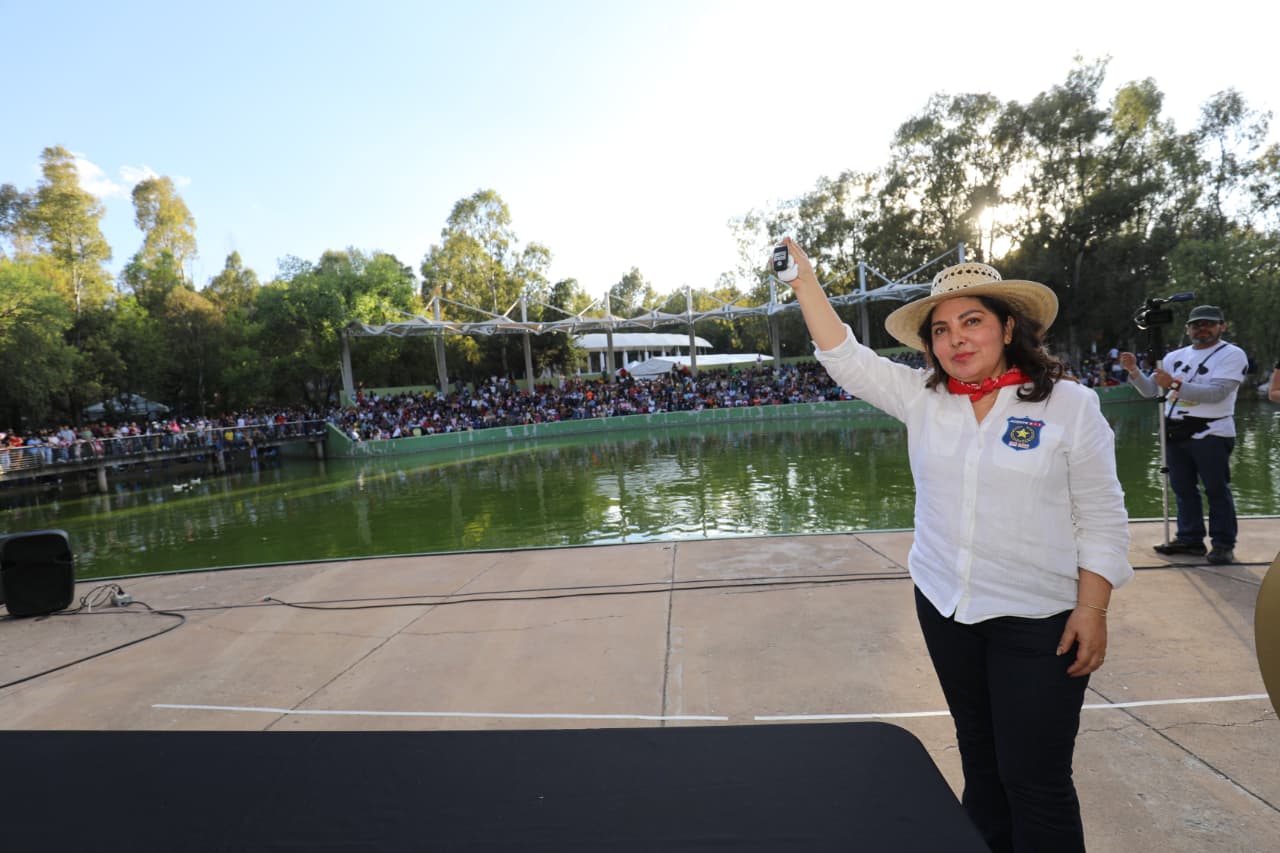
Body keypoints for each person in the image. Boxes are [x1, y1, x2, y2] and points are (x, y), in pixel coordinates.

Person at [775, 239, 1132, 852]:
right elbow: (845, 357)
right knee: (981, 766)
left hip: (1038, 618)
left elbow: (1102, 514)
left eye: (972, 322)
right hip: (945, 607)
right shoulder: (924, 397)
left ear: (1008, 327)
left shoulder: (1069, 405)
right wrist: (804, 282)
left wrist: (1093, 607)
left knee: (1036, 780)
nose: (956, 340)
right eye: (941, 330)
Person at [1119, 305, 1248, 565]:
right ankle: (1190, 538)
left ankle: (1223, 544)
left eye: (1209, 324)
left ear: (1222, 326)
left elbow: (1217, 393)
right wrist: (1133, 371)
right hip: (1175, 432)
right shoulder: (1173, 356)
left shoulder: (1232, 355)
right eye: (1196, 325)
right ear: (1188, 329)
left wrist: (1174, 384)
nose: (1202, 329)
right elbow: (1150, 391)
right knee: (1182, 488)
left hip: (1211, 431)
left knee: (1216, 489)